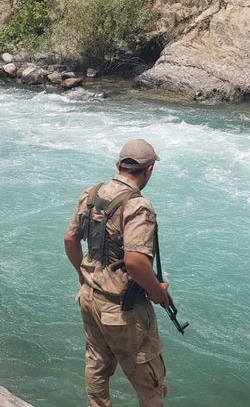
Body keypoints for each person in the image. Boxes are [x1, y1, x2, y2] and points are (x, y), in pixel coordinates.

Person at [64, 139, 170, 407]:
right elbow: (134, 263)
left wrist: (82, 274)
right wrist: (158, 294)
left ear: (118, 165)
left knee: (97, 364)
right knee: (150, 382)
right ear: (149, 171)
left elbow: (70, 240)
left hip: (89, 296)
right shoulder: (138, 206)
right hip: (121, 308)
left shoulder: (91, 193)